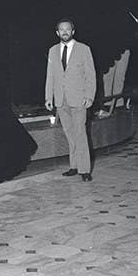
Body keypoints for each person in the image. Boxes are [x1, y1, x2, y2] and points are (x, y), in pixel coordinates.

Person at [45, 18, 96, 181]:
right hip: (61, 100)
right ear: (57, 32)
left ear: (73, 31)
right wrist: (48, 97)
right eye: (62, 30)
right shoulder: (53, 50)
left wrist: (89, 96)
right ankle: (74, 166)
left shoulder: (84, 49)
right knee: (70, 134)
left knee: (80, 133)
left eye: (68, 29)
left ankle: (85, 170)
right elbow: (50, 76)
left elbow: (91, 75)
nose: (65, 32)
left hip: (79, 99)